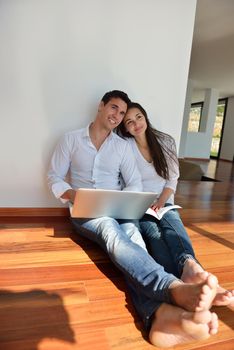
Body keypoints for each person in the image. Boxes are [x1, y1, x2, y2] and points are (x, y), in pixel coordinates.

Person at [47, 90, 219, 348]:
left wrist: (124, 201)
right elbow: (54, 176)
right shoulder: (70, 139)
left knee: (135, 241)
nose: (117, 115)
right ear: (101, 106)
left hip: (118, 208)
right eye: (114, 108)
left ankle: (158, 317)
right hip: (86, 212)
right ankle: (171, 286)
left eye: (121, 113)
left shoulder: (122, 145)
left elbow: (134, 183)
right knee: (110, 232)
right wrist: (73, 194)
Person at [117, 101, 234, 309]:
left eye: (139, 117)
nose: (136, 124)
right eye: (129, 122)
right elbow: (127, 181)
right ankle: (198, 288)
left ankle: (190, 266)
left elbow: (172, 179)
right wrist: (146, 204)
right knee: (155, 236)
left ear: (145, 117)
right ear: (125, 128)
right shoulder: (125, 147)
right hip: (141, 205)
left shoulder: (165, 141)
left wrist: (161, 202)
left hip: (165, 201)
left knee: (172, 225)